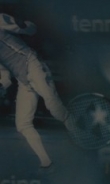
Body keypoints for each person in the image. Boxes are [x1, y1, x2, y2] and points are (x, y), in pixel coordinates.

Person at [0, 12, 75, 168]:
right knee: (22, 124)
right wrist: (2, 85)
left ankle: (82, 135)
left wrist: (23, 25)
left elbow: (32, 29)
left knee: (55, 109)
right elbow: (5, 75)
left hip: (34, 66)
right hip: (23, 80)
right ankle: (46, 161)